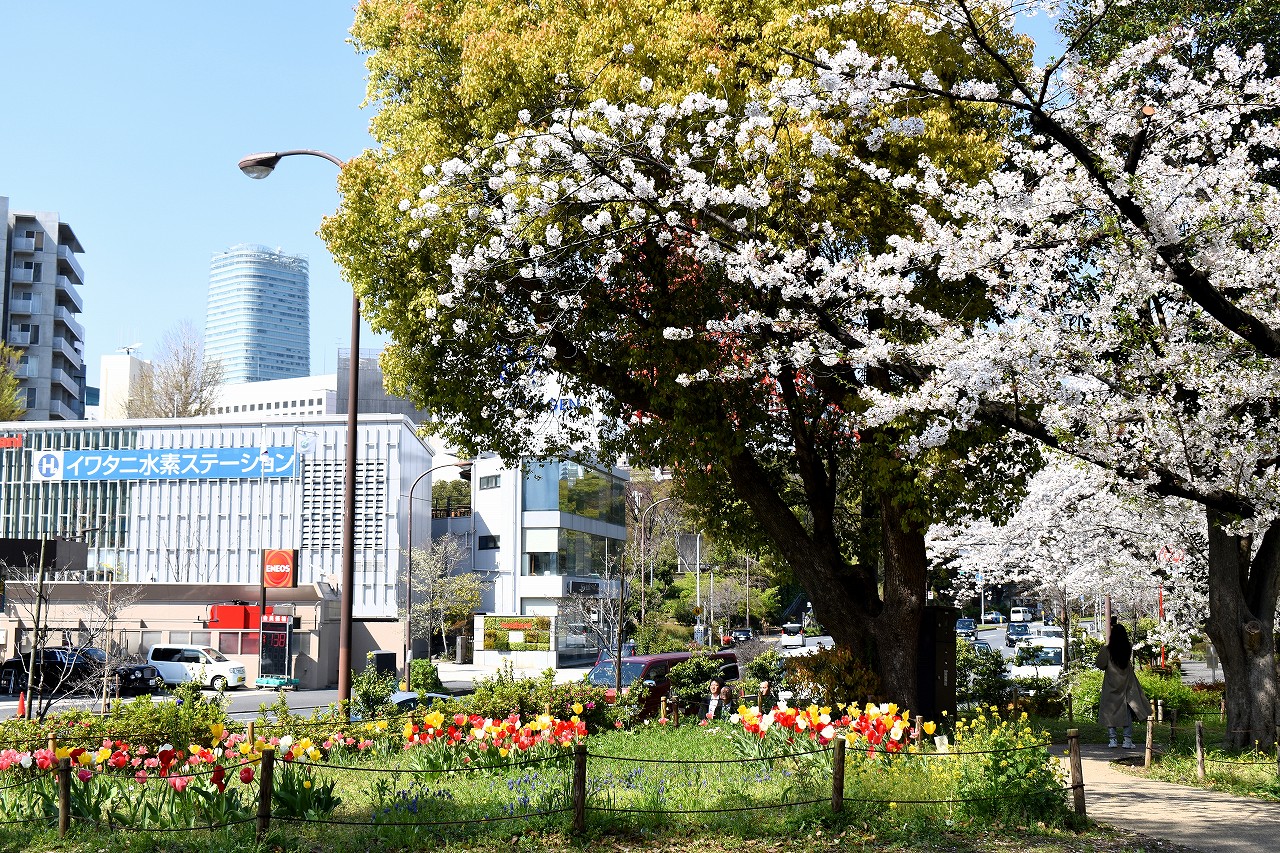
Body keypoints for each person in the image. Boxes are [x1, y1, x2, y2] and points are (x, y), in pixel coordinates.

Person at [1095, 620, 1150, 748]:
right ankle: (1127, 740)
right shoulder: (1127, 648)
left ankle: (1113, 740)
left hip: (1111, 684)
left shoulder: (1106, 650)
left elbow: (1100, 664)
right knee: (1127, 712)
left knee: (1110, 711)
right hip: (1126, 683)